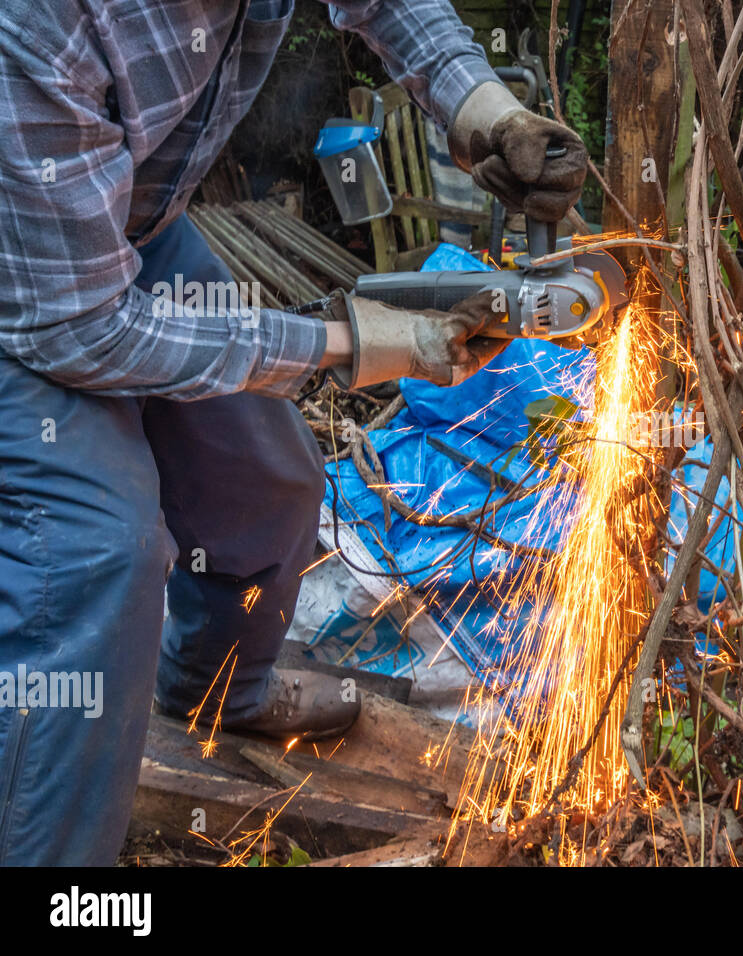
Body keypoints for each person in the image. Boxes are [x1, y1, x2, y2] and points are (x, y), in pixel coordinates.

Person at [0, 0, 587, 866]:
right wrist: (350, 342)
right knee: (98, 551)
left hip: (126, 225)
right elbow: (84, 331)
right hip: (33, 286)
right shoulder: (42, 28)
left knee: (270, 480)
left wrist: (483, 110)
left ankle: (214, 694)